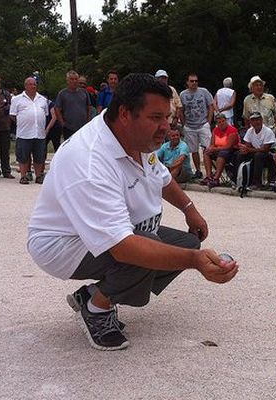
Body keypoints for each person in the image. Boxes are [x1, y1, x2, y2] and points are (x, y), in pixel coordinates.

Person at [27, 73, 238, 351]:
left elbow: (161, 176)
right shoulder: (89, 161)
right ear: (125, 113)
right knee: (146, 252)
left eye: (168, 117)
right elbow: (124, 247)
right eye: (155, 118)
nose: (165, 127)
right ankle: (96, 308)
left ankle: (95, 293)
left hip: (118, 230)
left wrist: (190, 209)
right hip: (63, 245)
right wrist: (195, 261)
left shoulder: (137, 138)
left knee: (187, 241)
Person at [10, 77, 49, 185]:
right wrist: (25, 121)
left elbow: (45, 114)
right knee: (23, 156)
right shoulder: (17, 99)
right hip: (24, 133)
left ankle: (38, 176)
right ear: (25, 86)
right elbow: (12, 115)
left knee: (39, 156)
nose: (33, 86)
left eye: (35, 84)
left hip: (39, 133)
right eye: (31, 84)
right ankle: (23, 176)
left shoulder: (42, 99)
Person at [180, 72, 213, 179]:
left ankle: (210, 172)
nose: (194, 83)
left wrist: (209, 121)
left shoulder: (204, 92)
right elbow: (181, 109)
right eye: (192, 81)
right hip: (189, 125)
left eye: (196, 81)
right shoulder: (183, 94)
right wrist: (184, 123)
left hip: (203, 123)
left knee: (207, 148)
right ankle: (198, 170)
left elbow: (211, 106)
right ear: (187, 82)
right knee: (193, 150)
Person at [235, 111, 276, 190]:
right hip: (255, 152)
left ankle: (257, 183)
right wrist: (244, 149)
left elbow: (265, 149)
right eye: (253, 120)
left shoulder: (268, 131)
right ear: (250, 122)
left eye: (257, 120)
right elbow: (247, 145)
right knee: (240, 154)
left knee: (259, 155)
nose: (255, 122)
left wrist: (249, 149)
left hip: (270, 155)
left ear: (261, 120)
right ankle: (239, 180)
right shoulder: (250, 131)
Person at [201, 113, 239, 189]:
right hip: (218, 149)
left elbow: (228, 146)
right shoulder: (215, 130)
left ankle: (216, 178)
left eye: (223, 121)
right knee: (206, 153)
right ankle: (209, 176)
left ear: (226, 121)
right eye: (219, 122)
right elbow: (212, 144)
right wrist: (210, 148)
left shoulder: (232, 130)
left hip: (230, 151)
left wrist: (215, 149)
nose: (221, 123)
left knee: (222, 154)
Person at [55, 70, 90, 141]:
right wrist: (62, 123)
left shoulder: (84, 92)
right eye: (72, 79)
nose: (74, 81)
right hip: (69, 127)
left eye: (76, 79)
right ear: (67, 81)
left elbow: (88, 107)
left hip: (83, 126)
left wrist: (88, 120)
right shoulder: (62, 94)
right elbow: (57, 109)